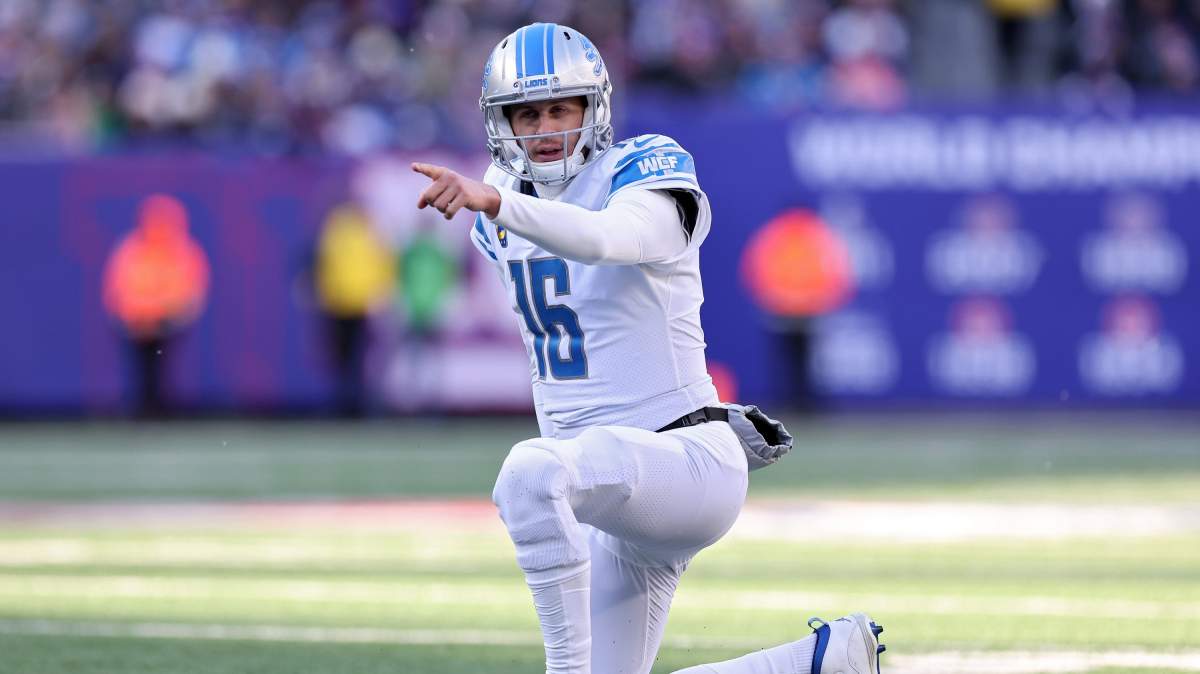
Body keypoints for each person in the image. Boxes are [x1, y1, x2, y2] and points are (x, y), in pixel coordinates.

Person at [412, 22, 885, 674]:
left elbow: (610, 238)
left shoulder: (640, 169)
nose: (545, 128)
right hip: (604, 485)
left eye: (560, 109)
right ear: (502, 123)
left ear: (594, 107)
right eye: (527, 114)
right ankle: (825, 660)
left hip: (684, 458)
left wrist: (497, 203)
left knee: (529, 474)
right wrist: (501, 203)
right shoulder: (501, 213)